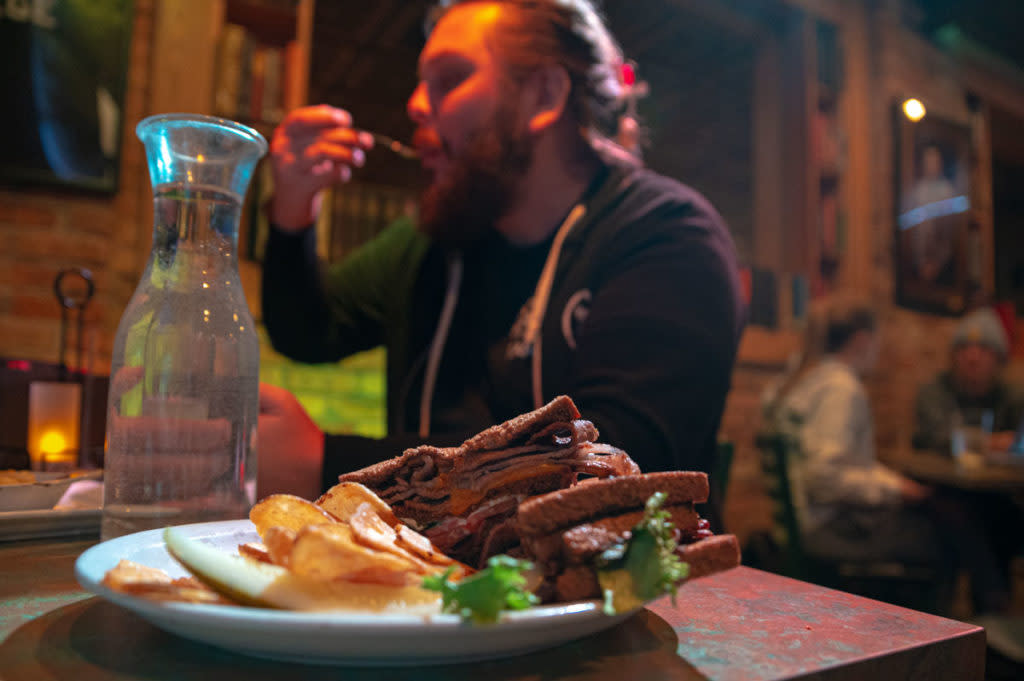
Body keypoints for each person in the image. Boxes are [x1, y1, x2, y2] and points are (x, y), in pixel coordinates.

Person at [256, 0, 745, 509]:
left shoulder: (667, 234)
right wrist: (293, 207)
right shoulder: (433, 243)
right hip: (427, 573)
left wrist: (330, 464)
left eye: (449, 78)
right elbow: (309, 330)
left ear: (545, 94)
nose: (416, 105)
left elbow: (615, 467)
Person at [762, 297, 944, 568]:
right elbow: (823, 477)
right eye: (877, 341)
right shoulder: (840, 387)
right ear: (862, 340)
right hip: (826, 531)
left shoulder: (795, 381)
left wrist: (893, 484)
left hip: (800, 528)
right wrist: (894, 490)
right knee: (941, 532)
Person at [913, 307, 1024, 454]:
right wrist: (989, 442)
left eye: (984, 349)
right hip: (937, 476)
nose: (973, 358)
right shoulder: (934, 393)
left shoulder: (1013, 398)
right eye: (964, 348)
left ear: (999, 359)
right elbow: (933, 436)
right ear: (953, 357)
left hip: (1001, 477)